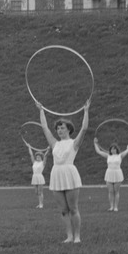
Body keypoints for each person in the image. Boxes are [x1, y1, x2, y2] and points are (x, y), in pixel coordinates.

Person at [37, 99, 90, 243]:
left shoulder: (74, 143)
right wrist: (41, 111)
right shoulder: (54, 144)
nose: (59, 130)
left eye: (62, 128)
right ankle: (69, 236)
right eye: (58, 128)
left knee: (73, 208)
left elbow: (84, 129)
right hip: (56, 174)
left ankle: (77, 236)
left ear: (69, 129)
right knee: (63, 210)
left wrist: (86, 111)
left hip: (69, 174)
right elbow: (45, 128)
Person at [94, 137, 128, 212]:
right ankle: (111, 206)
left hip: (117, 173)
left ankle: (116, 207)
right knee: (110, 191)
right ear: (110, 150)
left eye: (114, 149)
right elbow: (98, 151)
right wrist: (95, 143)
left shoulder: (120, 155)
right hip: (109, 173)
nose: (113, 150)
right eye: (111, 149)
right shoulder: (108, 156)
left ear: (117, 149)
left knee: (116, 191)